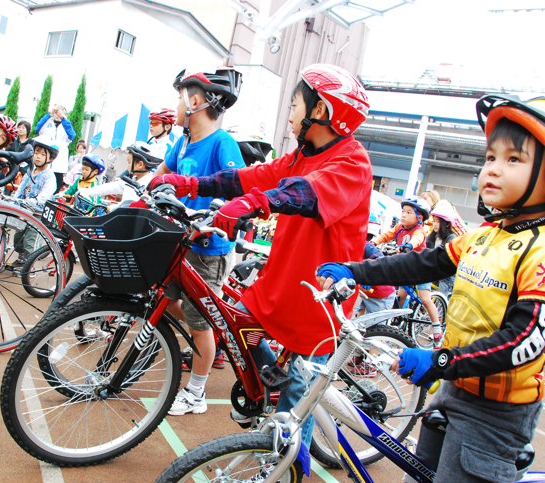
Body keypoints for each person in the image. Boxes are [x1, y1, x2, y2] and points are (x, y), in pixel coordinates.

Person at [316, 94, 545, 483]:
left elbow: (524, 340)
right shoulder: (484, 234)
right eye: (490, 157)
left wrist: (440, 362)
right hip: (454, 387)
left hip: (496, 413)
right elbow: (423, 264)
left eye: (513, 159)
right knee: (417, 482)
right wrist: (355, 270)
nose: (492, 169)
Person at [148, 64, 372, 447]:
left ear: (320, 111)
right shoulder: (301, 155)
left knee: (293, 407)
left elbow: (303, 193)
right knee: (242, 332)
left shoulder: (352, 161)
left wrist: (252, 205)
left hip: (318, 301)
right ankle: (267, 392)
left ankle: (284, 465)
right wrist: (190, 184)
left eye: (296, 105)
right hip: (284, 284)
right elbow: (249, 178)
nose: (290, 113)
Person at [146, 67, 245, 417]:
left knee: (201, 321)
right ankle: (196, 343)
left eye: (179, 97)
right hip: (180, 242)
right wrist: (141, 186)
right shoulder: (184, 141)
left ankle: (196, 393)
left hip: (208, 249)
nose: (175, 105)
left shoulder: (222, 143)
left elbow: (238, 187)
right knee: (169, 300)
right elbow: (161, 173)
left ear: (196, 101)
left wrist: (221, 211)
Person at [372, 196, 442, 345]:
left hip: (421, 269)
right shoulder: (399, 228)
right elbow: (386, 235)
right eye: (403, 211)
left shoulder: (419, 230)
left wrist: (409, 246)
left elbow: (417, 239)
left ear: (419, 217)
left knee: (425, 298)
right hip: (405, 268)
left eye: (409, 212)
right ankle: (397, 322)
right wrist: (374, 242)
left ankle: (437, 327)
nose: (403, 215)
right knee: (399, 296)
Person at [11, 136, 58, 266]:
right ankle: (22, 259)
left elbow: (46, 194)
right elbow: (21, 186)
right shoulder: (31, 171)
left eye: (43, 154)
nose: (38, 157)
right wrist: (15, 199)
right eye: (36, 153)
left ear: (51, 158)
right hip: (25, 211)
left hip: (38, 214)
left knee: (30, 241)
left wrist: (35, 201)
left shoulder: (49, 176)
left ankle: (29, 267)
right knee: (18, 238)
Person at [78, 142, 162, 205]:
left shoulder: (148, 183)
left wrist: (116, 207)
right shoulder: (133, 180)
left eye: (129, 162)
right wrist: (89, 191)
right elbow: (111, 187)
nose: (127, 166)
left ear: (140, 164)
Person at [36, 104, 75, 192]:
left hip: (58, 165)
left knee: (56, 189)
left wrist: (62, 118)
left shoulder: (66, 126)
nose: (58, 114)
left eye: (61, 112)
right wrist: (50, 115)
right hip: (44, 163)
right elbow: (38, 128)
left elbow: (72, 135)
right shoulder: (47, 123)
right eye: (57, 112)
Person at [426, 201, 458, 299]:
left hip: (446, 275)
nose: (435, 224)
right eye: (434, 221)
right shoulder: (432, 237)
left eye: (438, 221)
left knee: (442, 295)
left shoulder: (451, 238)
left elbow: (447, 259)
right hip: (434, 271)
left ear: (447, 224)